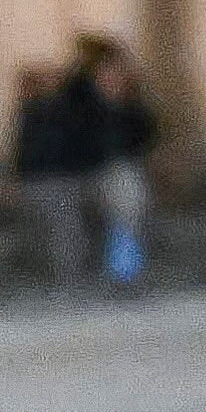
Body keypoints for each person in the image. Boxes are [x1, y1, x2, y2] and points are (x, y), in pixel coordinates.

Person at [79, 39, 162, 290]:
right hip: (94, 169)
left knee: (126, 220)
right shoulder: (86, 104)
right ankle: (111, 271)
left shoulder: (131, 106)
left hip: (124, 167)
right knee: (103, 223)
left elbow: (145, 134)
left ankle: (125, 273)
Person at [8, 64, 98, 285]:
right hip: (49, 178)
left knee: (62, 229)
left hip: (54, 178)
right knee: (59, 229)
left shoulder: (49, 111)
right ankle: (63, 273)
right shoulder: (37, 112)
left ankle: (66, 274)